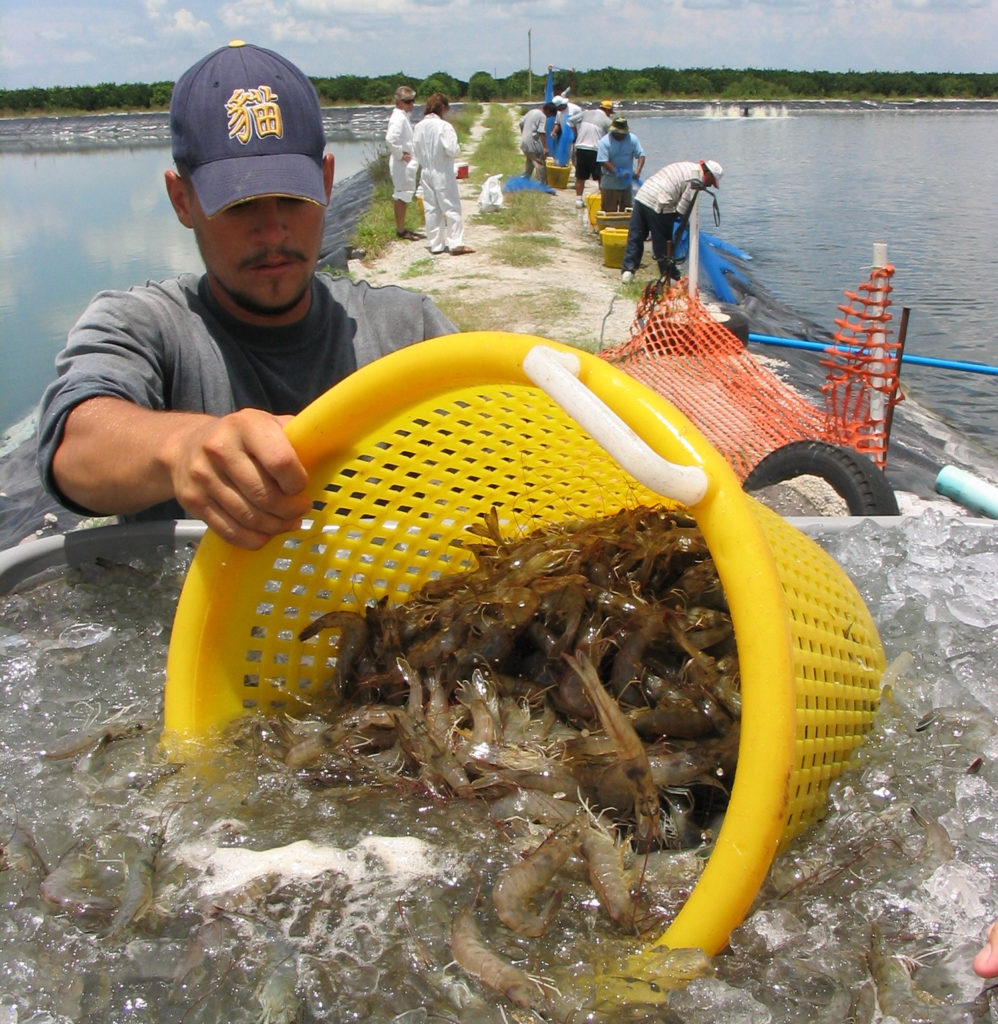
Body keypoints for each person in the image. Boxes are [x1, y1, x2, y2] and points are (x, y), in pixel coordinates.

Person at [35, 41, 456, 551]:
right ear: (181, 199)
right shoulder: (145, 326)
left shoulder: (408, 330)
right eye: (240, 204)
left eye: (292, 197)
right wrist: (183, 447)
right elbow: (74, 441)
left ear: (326, 182)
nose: (272, 229)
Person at [619, 159, 723, 285]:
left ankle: (628, 273)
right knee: (663, 244)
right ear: (708, 174)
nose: (710, 186)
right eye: (712, 182)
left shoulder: (687, 166)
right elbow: (682, 209)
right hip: (660, 202)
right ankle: (672, 278)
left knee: (636, 236)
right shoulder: (697, 179)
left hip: (643, 195)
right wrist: (681, 226)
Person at [411, 92, 473, 257]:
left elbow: (415, 151)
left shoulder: (418, 127)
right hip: (442, 171)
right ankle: (456, 243)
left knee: (431, 209)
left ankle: (436, 244)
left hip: (425, 171)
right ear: (443, 108)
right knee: (451, 206)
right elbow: (452, 149)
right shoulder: (444, 126)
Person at [385, 84, 424, 241]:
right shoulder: (399, 118)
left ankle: (402, 228)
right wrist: (402, 155)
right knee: (401, 196)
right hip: (401, 165)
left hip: (405, 164)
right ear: (400, 102)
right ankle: (400, 230)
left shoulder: (403, 117)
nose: (412, 104)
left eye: (413, 101)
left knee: (405, 195)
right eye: (408, 101)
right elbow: (390, 139)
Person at [596, 115, 645, 213]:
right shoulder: (605, 142)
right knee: (609, 211)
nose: (620, 135)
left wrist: (638, 171)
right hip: (610, 184)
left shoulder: (632, 139)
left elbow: (641, 155)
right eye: (618, 133)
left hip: (626, 186)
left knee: (627, 211)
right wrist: (618, 172)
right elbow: (603, 161)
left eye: (623, 133)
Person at [569, 98, 612, 207]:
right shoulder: (607, 121)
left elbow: (570, 121)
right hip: (596, 150)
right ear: (607, 111)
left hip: (580, 147)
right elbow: (612, 137)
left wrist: (575, 134)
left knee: (580, 176)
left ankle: (578, 200)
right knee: (600, 177)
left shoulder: (586, 113)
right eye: (610, 112)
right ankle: (603, 201)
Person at [519, 101, 557, 184]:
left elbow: (521, 123)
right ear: (547, 111)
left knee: (530, 161)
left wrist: (524, 134)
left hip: (524, 142)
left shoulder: (531, 111)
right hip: (532, 142)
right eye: (549, 115)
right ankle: (542, 184)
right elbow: (542, 132)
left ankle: (523, 181)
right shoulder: (542, 116)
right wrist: (545, 147)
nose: (548, 117)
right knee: (540, 162)